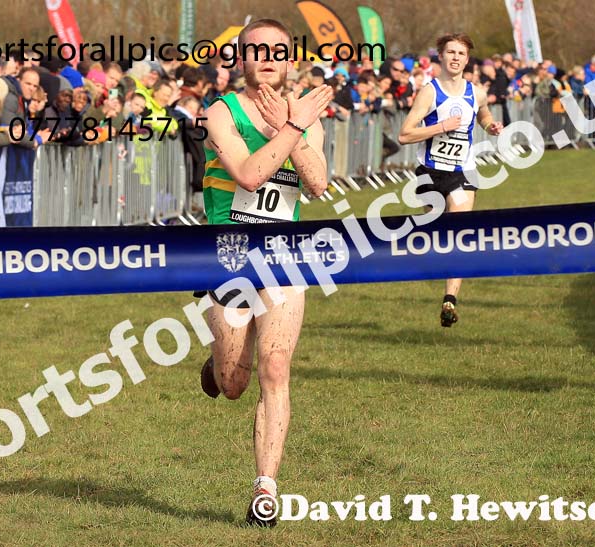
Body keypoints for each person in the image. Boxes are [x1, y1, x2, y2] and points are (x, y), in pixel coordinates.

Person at [197, 18, 332, 527]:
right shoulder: (220, 111)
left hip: (284, 255)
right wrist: (290, 128)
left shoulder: (308, 116)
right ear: (241, 59)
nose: (269, 57)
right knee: (234, 383)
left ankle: (265, 489)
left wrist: (293, 127)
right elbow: (250, 175)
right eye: (257, 50)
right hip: (227, 254)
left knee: (275, 367)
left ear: (291, 58)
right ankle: (217, 366)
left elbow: (318, 184)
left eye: (279, 49)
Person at [398, 33, 503, 327]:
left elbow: (482, 113)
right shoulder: (429, 93)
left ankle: (450, 301)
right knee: (437, 232)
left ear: (467, 60)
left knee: (459, 233)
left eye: (461, 53)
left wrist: (490, 125)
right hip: (430, 173)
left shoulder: (476, 92)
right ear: (441, 57)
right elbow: (405, 134)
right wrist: (441, 126)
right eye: (451, 52)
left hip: (462, 172)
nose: (456, 57)